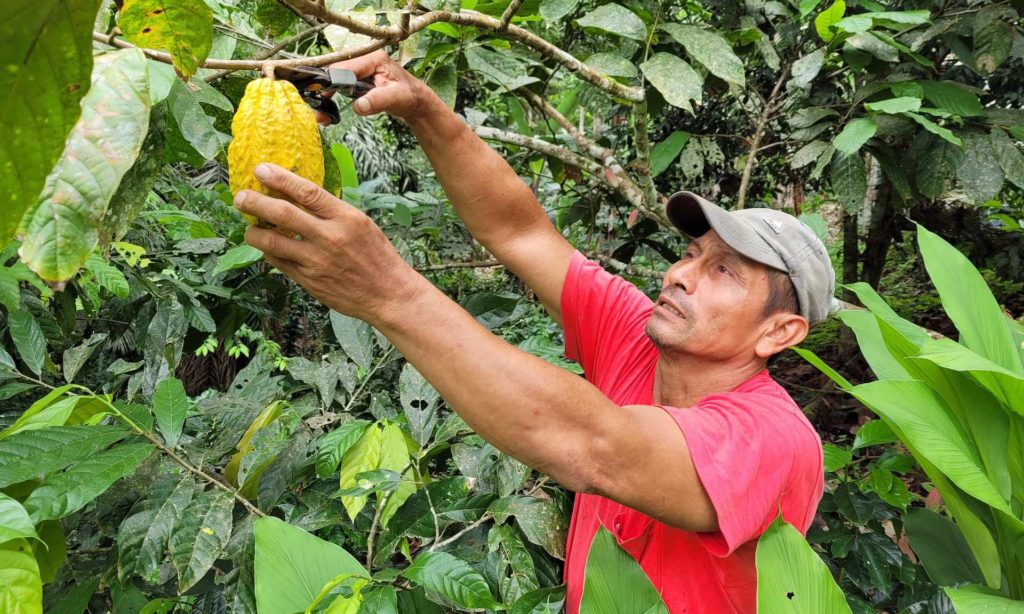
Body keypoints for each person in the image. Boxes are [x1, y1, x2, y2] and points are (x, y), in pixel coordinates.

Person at [232, 50, 837, 613]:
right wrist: (423, 108)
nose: (680, 275)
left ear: (779, 333)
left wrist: (388, 291)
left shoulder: (775, 441)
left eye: (724, 272)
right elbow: (520, 232)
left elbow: (596, 447)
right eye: (691, 253)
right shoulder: (638, 338)